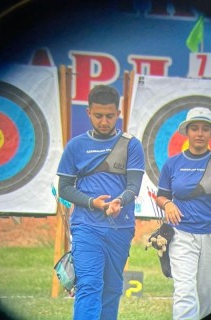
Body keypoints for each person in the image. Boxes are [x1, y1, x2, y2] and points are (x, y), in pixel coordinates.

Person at [56, 85, 145, 319]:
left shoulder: (131, 144)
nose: (104, 121)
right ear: (88, 113)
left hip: (121, 227)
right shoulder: (75, 146)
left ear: (118, 113)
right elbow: (64, 189)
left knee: (112, 288)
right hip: (86, 226)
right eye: (98, 116)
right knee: (89, 285)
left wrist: (118, 201)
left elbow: (134, 186)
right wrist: (93, 203)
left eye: (109, 116)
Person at [155, 106, 211, 319]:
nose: (199, 133)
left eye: (204, 129)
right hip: (182, 235)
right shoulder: (172, 163)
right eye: (194, 128)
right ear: (187, 132)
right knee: (184, 292)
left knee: (210, 298)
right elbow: (161, 195)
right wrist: (168, 205)